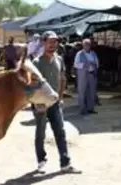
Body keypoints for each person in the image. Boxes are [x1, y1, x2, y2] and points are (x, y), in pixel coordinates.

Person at [32, 31, 81, 173]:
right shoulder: (37, 63)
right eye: (50, 42)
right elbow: (32, 85)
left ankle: (65, 162)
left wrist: (60, 98)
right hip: (41, 104)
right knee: (40, 132)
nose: (53, 45)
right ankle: (41, 160)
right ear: (43, 43)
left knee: (60, 131)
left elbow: (62, 79)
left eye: (55, 42)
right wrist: (37, 103)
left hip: (54, 103)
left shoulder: (59, 59)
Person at [74, 39, 99, 115]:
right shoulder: (79, 54)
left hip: (92, 74)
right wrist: (84, 65)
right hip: (83, 75)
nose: (87, 46)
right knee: (82, 91)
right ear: (83, 45)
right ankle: (82, 109)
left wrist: (94, 65)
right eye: (86, 44)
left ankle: (91, 108)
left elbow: (97, 63)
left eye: (88, 44)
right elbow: (76, 64)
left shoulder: (93, 53)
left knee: (91, 92)